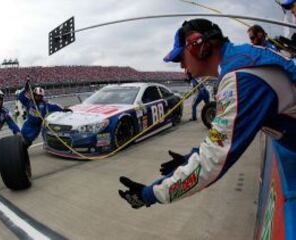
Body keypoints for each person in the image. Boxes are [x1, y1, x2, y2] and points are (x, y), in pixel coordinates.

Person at [118, 18, 296, 209]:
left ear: (198, 46)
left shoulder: (241, 78)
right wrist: (190, 158)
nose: (181, 66)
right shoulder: (240, 61)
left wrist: (149, 194)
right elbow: (221, 138)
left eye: (181, 58)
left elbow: (214, 160)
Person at [17, 81, 72, 147]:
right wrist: (25, 88)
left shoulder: (45, 104)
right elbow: (20, 96)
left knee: (27, 142)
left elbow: (54, 106)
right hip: (28, 124)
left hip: (36, 127)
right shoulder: (29, 102)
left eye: (40, 96)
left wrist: (63, 109)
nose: (38, 97)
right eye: (37, 95)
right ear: (33, 94)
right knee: (19, 139)